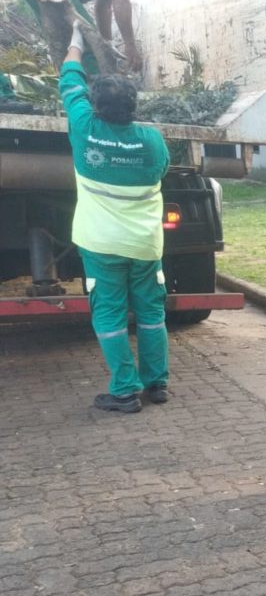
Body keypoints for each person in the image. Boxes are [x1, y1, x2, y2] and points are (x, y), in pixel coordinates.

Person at [60, 23, 171, 412]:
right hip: (145, 245)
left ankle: (124, 391)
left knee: (108, 313)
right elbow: (160, 172)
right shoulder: (152, 140)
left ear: (95, 106)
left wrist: (76, 41)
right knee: (151, 312)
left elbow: (69, 82)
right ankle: (156, 384)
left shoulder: (83, 126)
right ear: (133, 106)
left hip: (101, 244)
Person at [11, 0, 175, 74]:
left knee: (68, 44)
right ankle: (98, 103)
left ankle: (78, 97)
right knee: (86, 47)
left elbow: (103, 5)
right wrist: (130, 46)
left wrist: (107, 44)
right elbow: (121, 0)